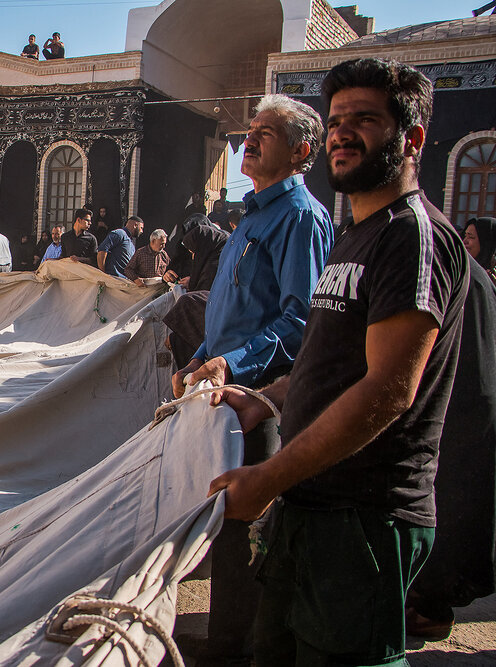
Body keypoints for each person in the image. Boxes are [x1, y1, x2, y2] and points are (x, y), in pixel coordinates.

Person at [209, 57, 469, 667]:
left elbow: (387, 390)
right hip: (312, 502)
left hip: (366, 517)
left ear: (412, 139)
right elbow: (329, 361)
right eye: (337, 120)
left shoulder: (413, 237)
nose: (343, 133)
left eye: (366, 120)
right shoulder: (356, 232)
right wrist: (266, 399)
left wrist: (269, 477)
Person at [172, 93, 333, 667]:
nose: (250, 139)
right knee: (226, 519)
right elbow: (231, 308)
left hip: (261, 401)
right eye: (251, 130)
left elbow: (300, 320)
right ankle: (224, 638)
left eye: (266, 132)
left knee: (249, 525)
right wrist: (199, 359)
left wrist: (233, 366)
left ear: (302, 151)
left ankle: (234, 651)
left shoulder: (300, 218)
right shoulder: (252, 214)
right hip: (223, 388)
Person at [406, 245, 496, 641]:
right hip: (466, 399)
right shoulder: (469, 271)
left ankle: (430, 606)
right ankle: (430, 602)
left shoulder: (440, 265)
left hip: (457, 405)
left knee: (448, 506)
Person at [182, 224, 229, 292]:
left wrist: (192, 284)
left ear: (201, 249)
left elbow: (202, 294)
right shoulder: (221, 254)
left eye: (194, 253)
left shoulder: (212, 268)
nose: (193, 257)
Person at [462, 216, 496, 285]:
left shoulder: (492, 277)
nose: (464, 241)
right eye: (465, 236)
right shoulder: (460, 270)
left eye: (471, 237)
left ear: (486, 243)